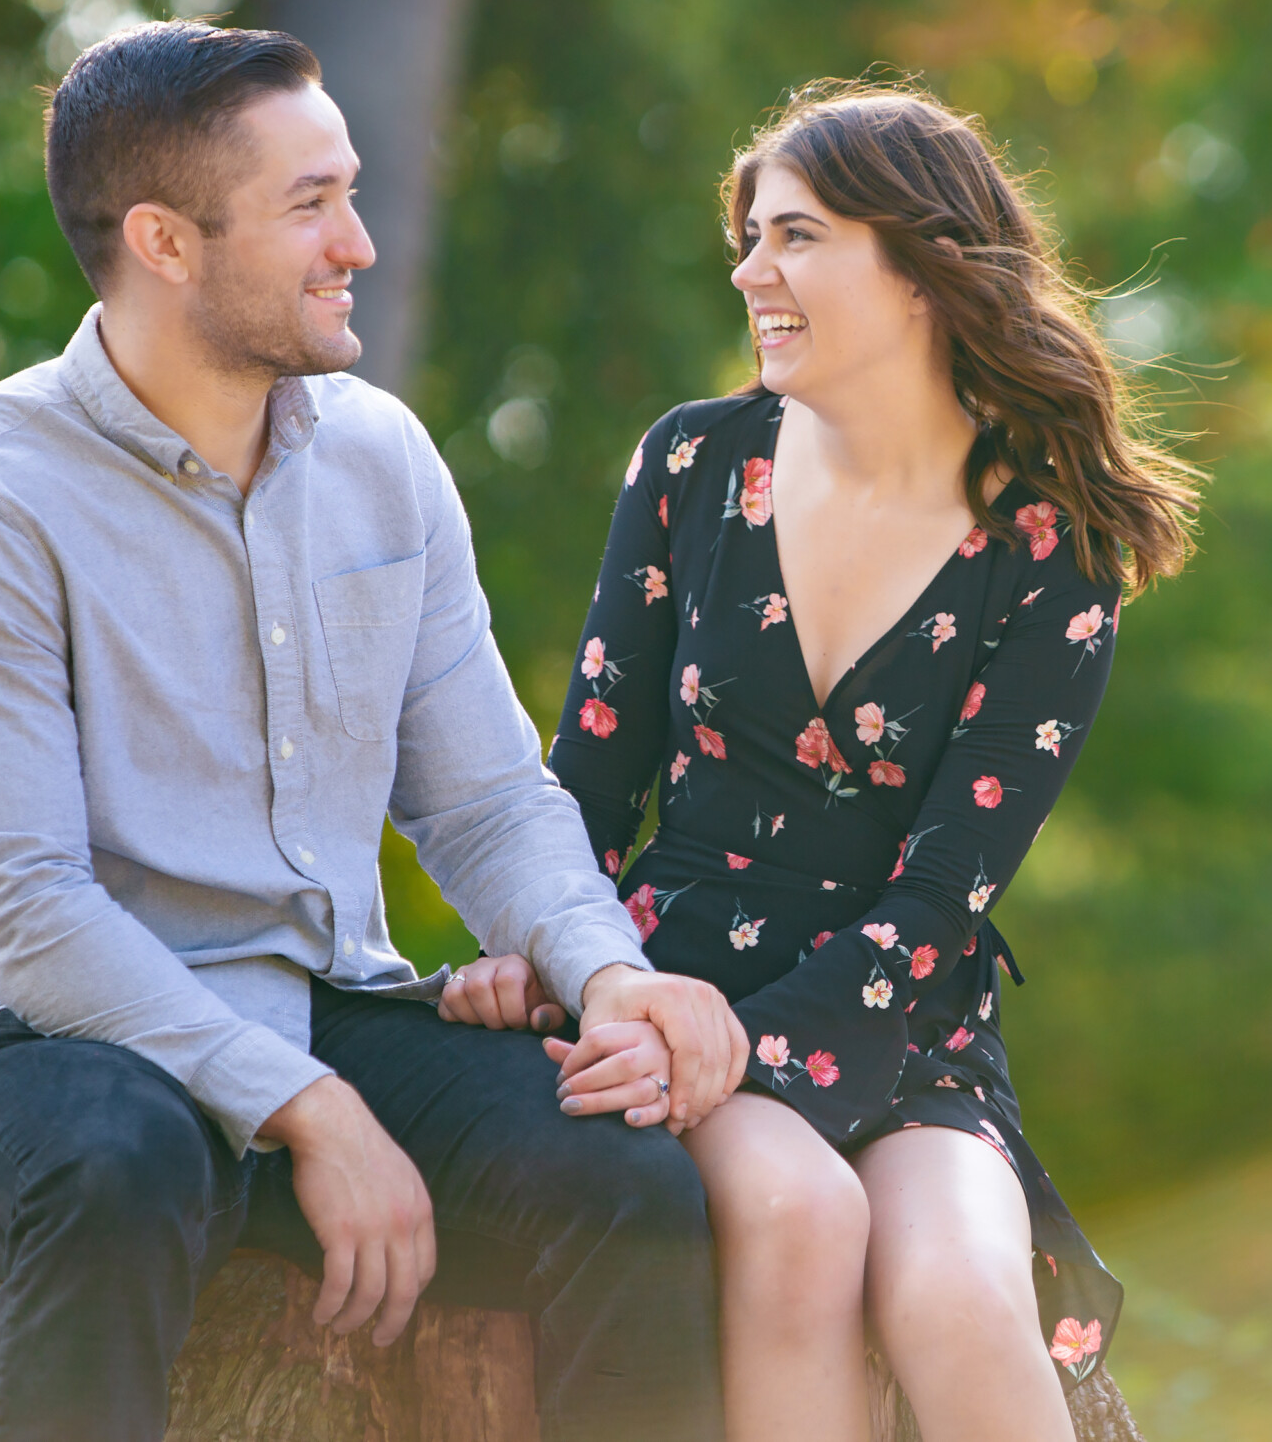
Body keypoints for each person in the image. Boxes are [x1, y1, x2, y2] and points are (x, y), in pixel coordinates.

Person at [0, 20, 745, 1442]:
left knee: (634, 1188)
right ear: (164, 241)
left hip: (331, 1002)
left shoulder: (383, 457)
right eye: (309, 205)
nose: (359, 245)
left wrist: (605, 972)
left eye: (351, 191)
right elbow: (18, 912)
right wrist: (310, 1113)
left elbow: (485, 801)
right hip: (46, 1050)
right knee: (118, 1161)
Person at [442, 81, 1201, 1441]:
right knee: (798, 1216)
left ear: (918, 267)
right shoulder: (690, 464)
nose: (750, 269)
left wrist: (758, 1048)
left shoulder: (1051, 548)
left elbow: (942, 898)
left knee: (966, 1296)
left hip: (904, 1018)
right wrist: (561, 962)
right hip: (673, 984)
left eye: (794, 235)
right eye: (748, 237)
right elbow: (589, 791)